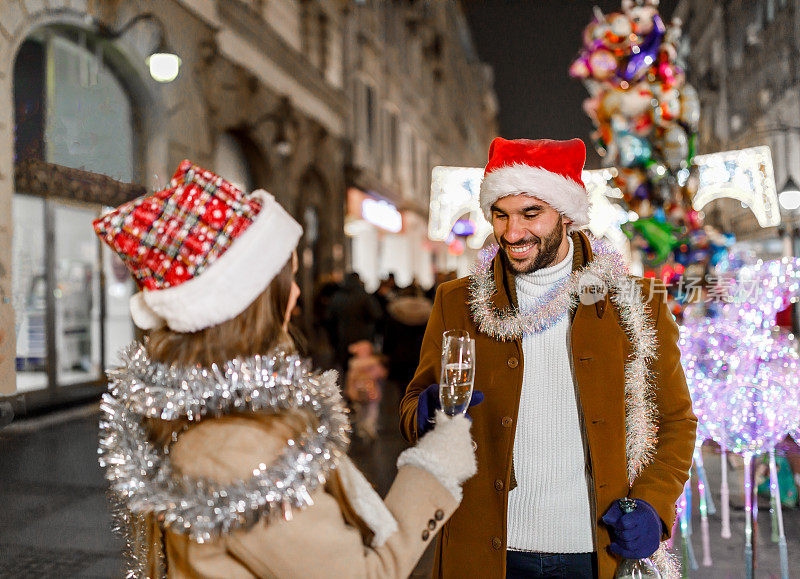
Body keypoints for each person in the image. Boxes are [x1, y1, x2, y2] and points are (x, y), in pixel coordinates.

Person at [94, 160, 477, 578]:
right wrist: (436, 464)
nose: (296, 292)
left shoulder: (207, 414)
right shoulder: (236, 448)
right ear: (252, 299)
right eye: (287, 279)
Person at [399, 138, 697, 578]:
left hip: (595, 550)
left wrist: (654, 504)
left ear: (566, 214)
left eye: (530, 214)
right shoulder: (457, 302)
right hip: (488, 552)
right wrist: (424, 415)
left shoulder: (636, 304)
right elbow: (412, 406)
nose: (512, 232)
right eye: (501, 215)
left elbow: (675, 421)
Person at [327, 272, 384, 371]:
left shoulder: (338, 296)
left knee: (346, 366)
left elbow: (329, 317)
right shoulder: (364, 296)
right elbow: (376, 314)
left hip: (343, 335)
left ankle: (346, 383)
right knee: (362, 366)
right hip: (363, 335)